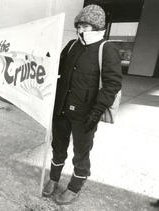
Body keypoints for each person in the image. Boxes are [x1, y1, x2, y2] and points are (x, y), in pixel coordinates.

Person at [42, 4, 122, 205]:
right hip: (61, 110)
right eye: (79, 25)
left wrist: (96, 112)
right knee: (58, 146)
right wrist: (47, 56)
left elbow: (112, 84)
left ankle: (75, 186)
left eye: (85, 26)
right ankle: (53, 178)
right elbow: (56, 69)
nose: (80, 29)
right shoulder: (71, 45)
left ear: (96, 26)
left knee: (81, 152)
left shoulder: (107, 49)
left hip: (86, 114)